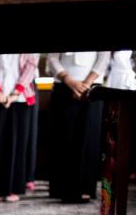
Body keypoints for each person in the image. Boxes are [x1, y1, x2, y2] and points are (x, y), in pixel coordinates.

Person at [47, 51, 111, 203]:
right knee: (64, 137)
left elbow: (103, 59)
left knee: (89, 139)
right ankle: (62, 189)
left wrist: (86, 84)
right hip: (64, 85)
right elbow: (52, 58)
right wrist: (70, 81)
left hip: (92, 86)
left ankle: (85, 188)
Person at [0, 54, 38, 202]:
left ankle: (14, 188)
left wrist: (15, 93)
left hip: (21, 98)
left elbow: (31, 66)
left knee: (18, 145)